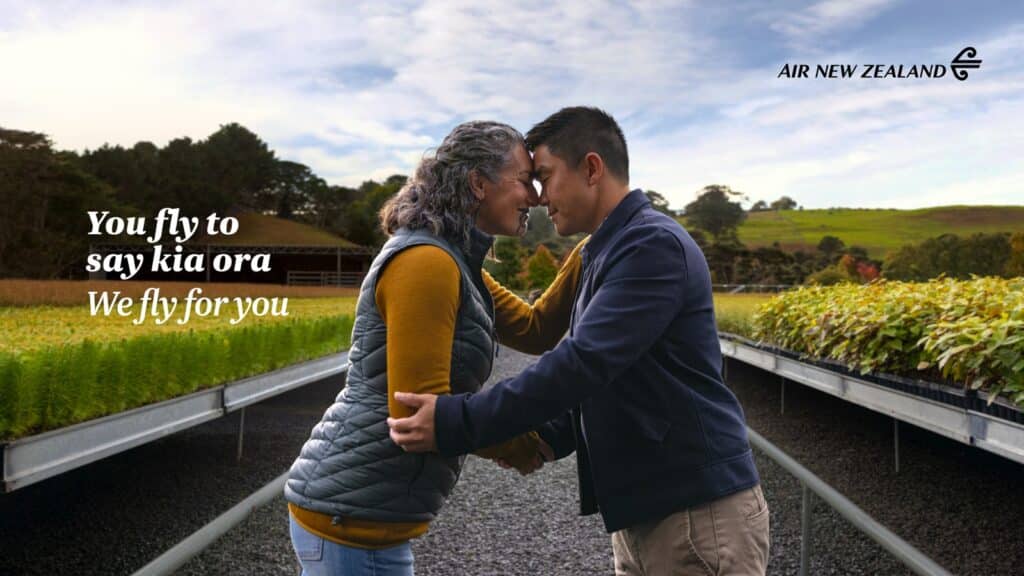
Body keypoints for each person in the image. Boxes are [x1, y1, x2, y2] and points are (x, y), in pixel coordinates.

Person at [389, 107, 771, 575]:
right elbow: (611, 375)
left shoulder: (650, 245)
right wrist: (548, 438)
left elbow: (583, 363)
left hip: (696, 515)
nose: (538, 195)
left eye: (545, 176)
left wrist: (457, 420)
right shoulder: (610, 250)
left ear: (591, 168)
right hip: (655, 513)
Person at [283, 120, 584, 575]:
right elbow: (417, 415)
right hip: (348, 522)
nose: (537, 197)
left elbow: (536, 328)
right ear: (478, 183)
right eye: (525, 181)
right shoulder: (426, 262)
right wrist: (528, 446)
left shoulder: (458, 264)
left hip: (371, 523)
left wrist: (593, 244)